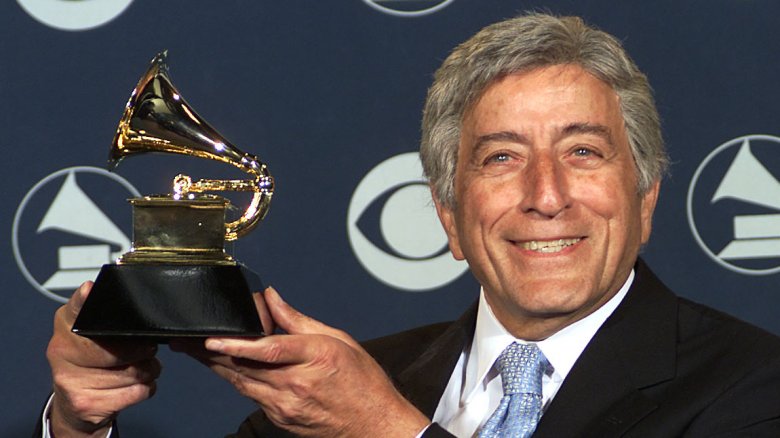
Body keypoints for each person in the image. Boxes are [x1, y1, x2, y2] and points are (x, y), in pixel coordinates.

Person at [38, 12, 780, 438]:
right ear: (449, 216)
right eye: (500, 158)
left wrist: (393, 432)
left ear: (646, 198)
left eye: (583, 152)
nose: (546, 195)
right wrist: (77, 425)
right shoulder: (327, 398)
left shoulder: (754, 389)